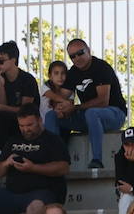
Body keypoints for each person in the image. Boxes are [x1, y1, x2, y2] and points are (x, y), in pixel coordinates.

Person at [44, 39, 127, 170]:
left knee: (91, 112)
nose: (77, 58)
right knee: (51, 116)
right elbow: (62, 97)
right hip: (89, 117)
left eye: (80, 53)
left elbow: (103, 101)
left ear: (88, 50)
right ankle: (55, 160)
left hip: (114, 114)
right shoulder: (73, 73)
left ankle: (97, 160)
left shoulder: (101, 67)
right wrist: (60, 108)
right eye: (72, 56)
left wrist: (74, 107)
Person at [0, 40, 42, 145]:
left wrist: (0, 107)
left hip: (26, 119)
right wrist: (1, 85)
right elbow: (2, 106)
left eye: (1, 61)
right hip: (8, 117)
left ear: (13, 60)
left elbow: (25, 110)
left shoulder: (27, 80)